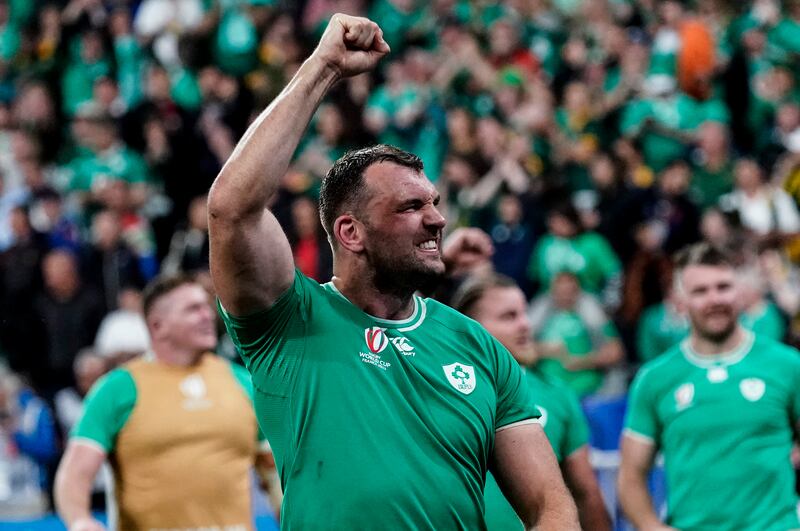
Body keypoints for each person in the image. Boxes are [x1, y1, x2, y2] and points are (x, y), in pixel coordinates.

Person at [207, 14, 578, 530]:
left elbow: (549, 507)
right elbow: (231, 210)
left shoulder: (480, 348)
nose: (437, 219)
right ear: (351, 233)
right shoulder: (287, 323)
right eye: (409, 207)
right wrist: (322, 68)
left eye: (435, 202)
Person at [54, 273, 273, 531]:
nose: (208, 315)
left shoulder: (243, 382)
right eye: (193, 309)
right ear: (158, 326)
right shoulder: (118, 389)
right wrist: (80, 520)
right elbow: (75, 473)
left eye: (206, 306)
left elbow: (274, 472)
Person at [618, 242, 800, 530]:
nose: (714, 298)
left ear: (739, 291)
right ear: (680, 300)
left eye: (723, 286)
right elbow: (630, 476)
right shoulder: (654, 378)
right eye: (700, 291)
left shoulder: (788, 365)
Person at [452, 273, 611, 531]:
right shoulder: (439, 390)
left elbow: (586, 493)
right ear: (470, 327)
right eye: (509, 316)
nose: (526, 325)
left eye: (524, 313)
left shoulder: (557, 394)